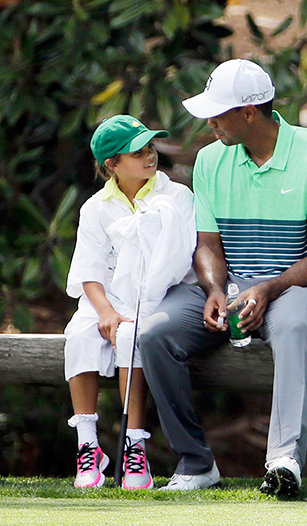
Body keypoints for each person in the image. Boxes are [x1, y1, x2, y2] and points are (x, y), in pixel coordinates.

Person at [138, 59, 307, 495]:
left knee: (292, 328)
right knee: (155, 333)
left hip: (295, 286)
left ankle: (283, 461)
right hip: (226, 286)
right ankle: (196, 464)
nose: (210, 122)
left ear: (250, 112)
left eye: (218, 113)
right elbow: (208, 244)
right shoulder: (211, 159)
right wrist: (215, 288)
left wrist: (268, 288)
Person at [64, 115, 197, 489]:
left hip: (159, 297)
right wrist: (105, 311)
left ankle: (133, 446)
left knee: (129, 338)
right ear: (112, 165)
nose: (149, 157)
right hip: (104, 300)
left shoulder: (177, 197)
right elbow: (88, 270)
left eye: (150, 149)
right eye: (137, 153)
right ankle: (88, 446)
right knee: (79, 335)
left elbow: (177, 262)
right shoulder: (95, 207)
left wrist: (129, 312)